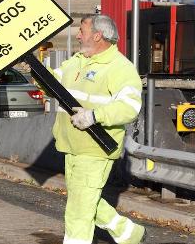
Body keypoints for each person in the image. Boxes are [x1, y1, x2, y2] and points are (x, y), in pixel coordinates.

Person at [51, 14, 146, 244]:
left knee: (78, 211)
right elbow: (53, 84)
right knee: (83, 199)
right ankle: (127, 233)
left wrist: (95, 116)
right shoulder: (77, 60)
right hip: (70, 145)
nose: (77, 34)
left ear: (97, 35)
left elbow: (129, 107)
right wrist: (34, 71)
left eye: (81, 30)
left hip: (95, 148)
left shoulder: (120, 67)